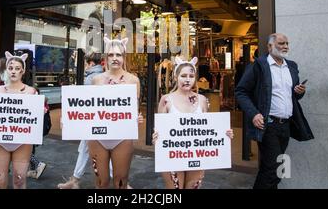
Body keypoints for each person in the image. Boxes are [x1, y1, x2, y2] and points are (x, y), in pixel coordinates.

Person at [235, 33, 314, 189]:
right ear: (270, 46)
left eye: (287, 43)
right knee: (274, 168)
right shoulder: (258, 66)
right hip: (267, 124)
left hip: (286, 125)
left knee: (278, 167)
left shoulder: (292, 66)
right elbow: (241, 91)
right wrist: (254, 113)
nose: (285, 46)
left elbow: (293, 97)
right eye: (281, 43)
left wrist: (299, 92)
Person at [153, 56, 234, 189]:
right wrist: (156, 137)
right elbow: (159, 129)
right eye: (183, 75)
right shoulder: (166, 99)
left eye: (191, 76)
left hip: (196, 155)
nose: (187, 79)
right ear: (175, 77)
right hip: (173, 155)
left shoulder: (202, 100)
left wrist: (224, 134)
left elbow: (207, 129)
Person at [87, 37, 141, 189]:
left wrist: (137, 117)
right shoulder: (96, 80)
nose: (115, 58)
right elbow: (89, 107)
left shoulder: (133, 80)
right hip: (98, 137)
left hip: (122, 137)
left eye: (119, 55)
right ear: (106, 58)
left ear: (124, 57)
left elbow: (133, 109)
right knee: (101, 182)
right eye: (111, 55)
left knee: (121, 181)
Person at [57, 52, 104, 189]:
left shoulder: (91, 77)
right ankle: (75, 179)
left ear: (90, 63)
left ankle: (75, 180)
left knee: (98, 150)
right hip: (99, 119)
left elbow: (87, 100)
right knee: (86, 148)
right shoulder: (100, 75)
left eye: (84, 63)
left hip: (92, 120)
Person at [0, 51, 38, 189]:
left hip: (22, 141)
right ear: (6, 69)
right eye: (10, 68)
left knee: (19, 180)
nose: (13, 72)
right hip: (0, 140)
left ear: (22, 71)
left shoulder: (31, 92)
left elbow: (36, 115)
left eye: (17, 69)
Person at [26, 87, 48, 180]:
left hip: (29, 129)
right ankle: (33, 170)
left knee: (24, 150)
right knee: (28, 149)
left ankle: (37, 164)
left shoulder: (34, 102)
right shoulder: (41, 104)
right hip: (33, 129)